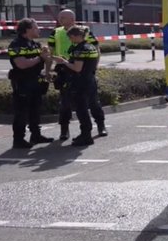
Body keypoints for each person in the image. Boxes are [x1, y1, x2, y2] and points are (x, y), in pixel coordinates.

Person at [48, 10, 106, 139]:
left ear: (72, 19)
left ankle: (100, 125)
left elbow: (96, 49)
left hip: (82, 70)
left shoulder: (85, 31)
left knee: (92, 101)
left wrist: (93, 68)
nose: (60, 19)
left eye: (63, 17)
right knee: (65, 102)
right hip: (64, 70)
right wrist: (48, 69)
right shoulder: (56, 32)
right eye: (59, 17)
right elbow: (51, 51)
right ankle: (64, 129)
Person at [7, 18, 55, 148]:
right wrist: (40, 58)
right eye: (35, 27)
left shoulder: (35, 44)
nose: (38, 30)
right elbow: (21, 64)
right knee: (21, 111)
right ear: (27, 30)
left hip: (35, 80)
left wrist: (47, 66)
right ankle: (18, 139)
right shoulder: (16, 44)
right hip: (22, 81)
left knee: (35, 109)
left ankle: (36, 135)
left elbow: (46, 59)